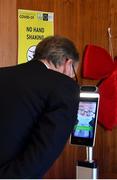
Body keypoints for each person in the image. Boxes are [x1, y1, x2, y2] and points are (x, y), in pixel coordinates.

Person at [0, 35, 80, 178]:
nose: (71, 77)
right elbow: (43, 154)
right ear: (68, 63)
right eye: (73, 73)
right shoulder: (64, 86)